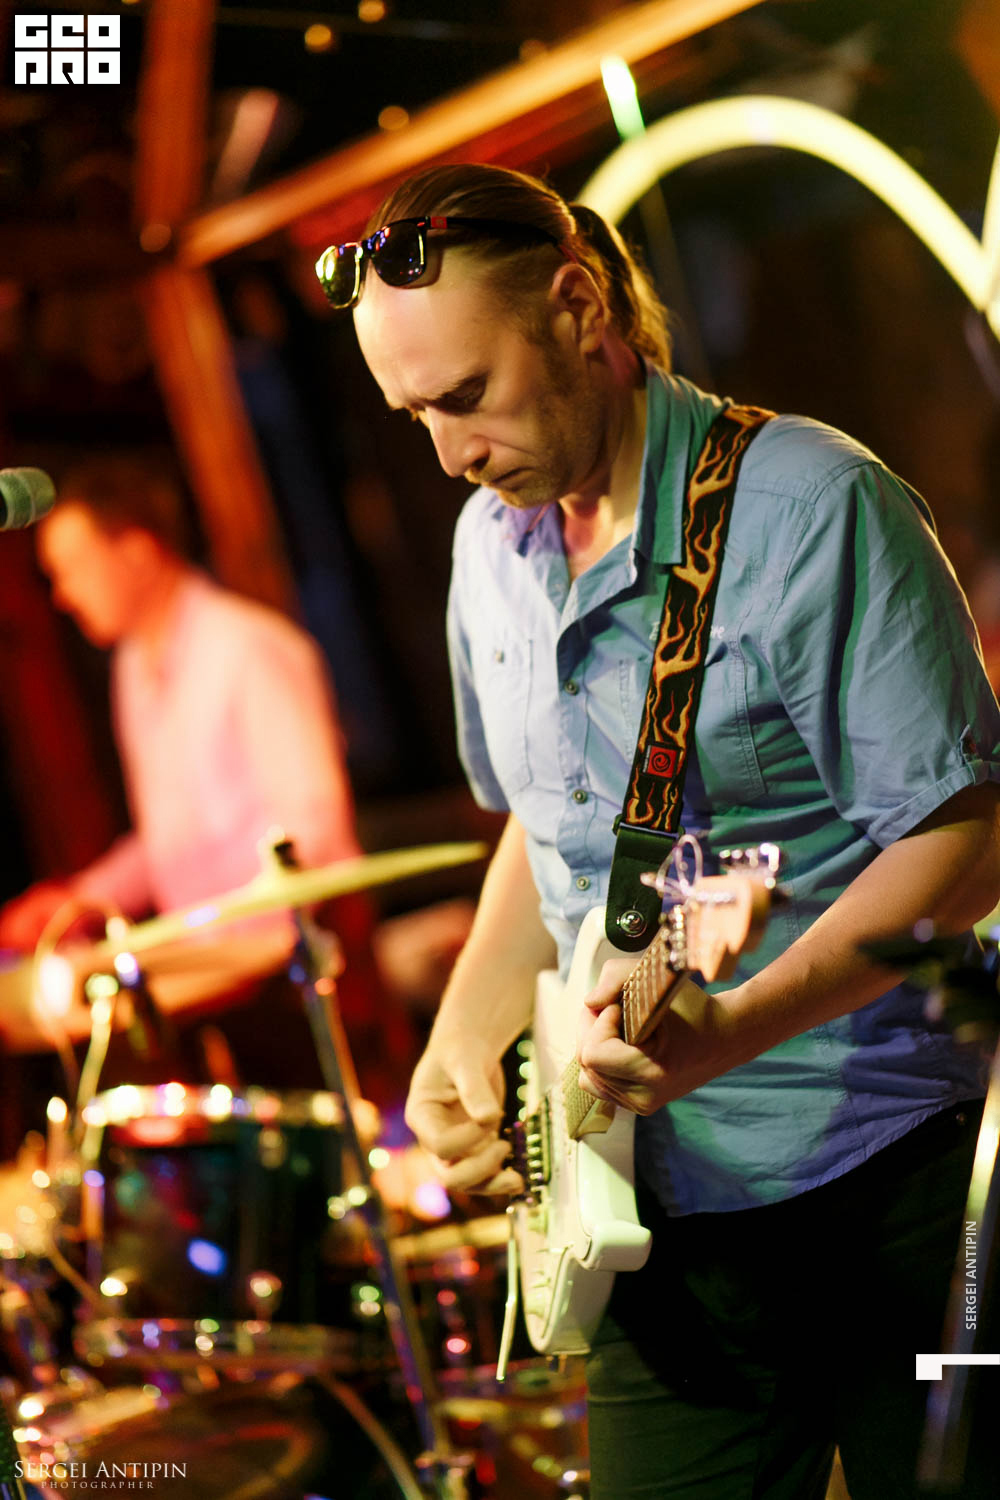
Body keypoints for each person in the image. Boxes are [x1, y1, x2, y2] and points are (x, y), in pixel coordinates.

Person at [324, 162, 1000, 1498]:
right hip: (648, 1213)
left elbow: (968, 843)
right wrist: (460, 1044)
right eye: (414, 416)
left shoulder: (810, 505)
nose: (451, 455)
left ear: (580, 309)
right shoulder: (486, 552)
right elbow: (547, 827)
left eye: (466, 395)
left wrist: (737, 1023)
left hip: (894, 1190)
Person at [0, 452, 406, 1100]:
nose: (63, 595)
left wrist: (216, 949)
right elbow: (172, 839)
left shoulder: (247, 646)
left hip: (302, 975)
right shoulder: (134, 668)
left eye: (72, 568)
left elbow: (315, 830)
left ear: (137, 551)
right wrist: (80, 899)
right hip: (226, 984)